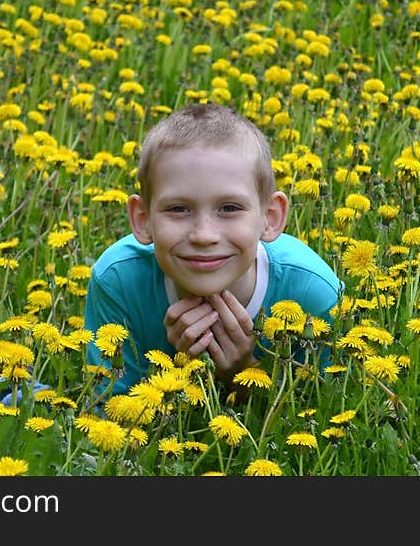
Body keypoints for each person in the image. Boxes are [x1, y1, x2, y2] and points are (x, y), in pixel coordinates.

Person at [84, 101, 344, 396]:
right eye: (179, 209)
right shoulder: (118, 280)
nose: (204, 235)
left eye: (229, 208)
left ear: (270, 217)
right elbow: (108, 413)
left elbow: (333, 407)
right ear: (142, 220)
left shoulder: (314, 292)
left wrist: (244, 372)